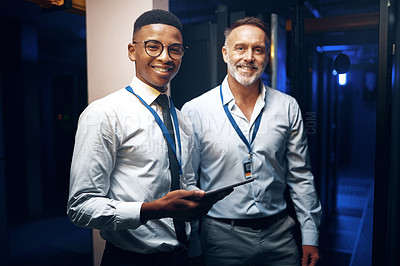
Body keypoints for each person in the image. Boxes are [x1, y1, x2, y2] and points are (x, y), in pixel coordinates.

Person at [67, 9, 220, 266]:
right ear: (132, 51)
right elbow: (80, 207)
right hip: (130, 259)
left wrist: (197, 201)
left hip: (182, 257)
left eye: (175, 49)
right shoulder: (104, 113)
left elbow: (187, 180)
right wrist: (154, 209)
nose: (165, 57)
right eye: (153, 47)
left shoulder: (182, 119)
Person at [182, 17, 322, 266]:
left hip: (280, 235)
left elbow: (300, 176)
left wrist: (310, 235)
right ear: (225, 53)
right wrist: (193, 242)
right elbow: (190, 182)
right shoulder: (196, 110)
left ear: (266, 56)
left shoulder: (287, 106)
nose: (249, 57)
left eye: (257, 49)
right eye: (240, 48)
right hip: (222, 238)